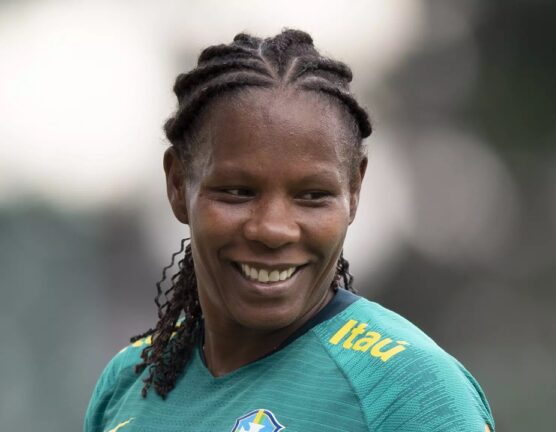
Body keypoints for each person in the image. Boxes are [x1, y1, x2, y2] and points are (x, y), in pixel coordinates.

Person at [84, 29, 494, 432]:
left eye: (313, 196)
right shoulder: (128, 382)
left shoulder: (410, 391)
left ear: (353, 191)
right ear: (177, 184)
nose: (272, 230)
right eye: (237, 192)